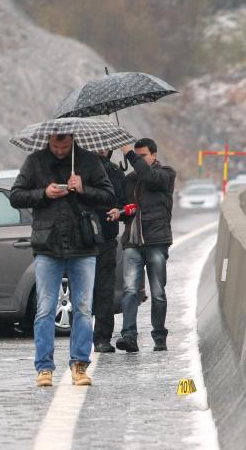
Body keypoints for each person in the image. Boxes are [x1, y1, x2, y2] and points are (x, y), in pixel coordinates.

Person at [10, 134, 115, 387]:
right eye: (55, 146)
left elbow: (109, 195)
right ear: (48, 140)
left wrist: (82, 188)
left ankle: (80, 365)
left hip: (83, 245)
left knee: (83, 308)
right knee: (45, 309)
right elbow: (16, 196)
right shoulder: (34, 161)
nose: (59, 151)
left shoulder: (89, 161)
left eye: (64, 146)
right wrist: (44, 194)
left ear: (73, 141)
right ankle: (44, 368)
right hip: (47, 245)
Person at [107, 138, 176, 353]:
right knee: (129, 291)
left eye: (143, 155)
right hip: (132, 241)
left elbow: (149, 176)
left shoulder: (165, 174)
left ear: (154, 155)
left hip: (157, 240)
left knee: (157, 292)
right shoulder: (130, 180)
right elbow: (128, 208)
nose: (140, 159)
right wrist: (118, 212)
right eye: (137, 155)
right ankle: (129, 336)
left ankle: (159, 336)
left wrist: (129, 154)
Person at [93, 151, 126, 353]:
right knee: (85, 290)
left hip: (105, 238)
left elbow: (122, 202)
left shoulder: (115, 171)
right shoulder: (76, 169)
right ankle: (91, 338)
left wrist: (118, 211)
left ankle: (102, 337)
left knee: (105, 289)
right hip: (81, 240)